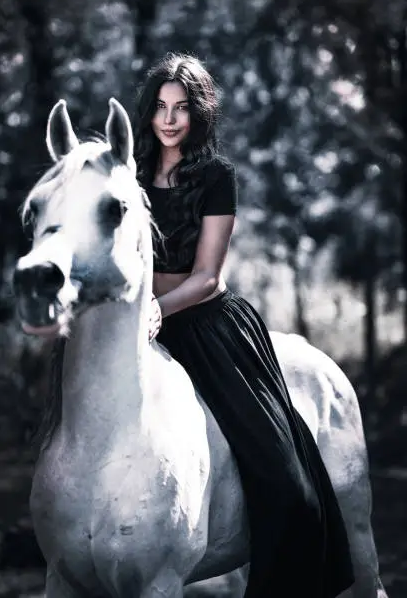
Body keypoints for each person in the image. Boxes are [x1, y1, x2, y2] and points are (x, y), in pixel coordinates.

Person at [133, 52, 354, 597]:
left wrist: (158, 311)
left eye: (181, 108)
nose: (169, 119)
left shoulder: (216, 176)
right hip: (136, 328)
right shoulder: (130, 173)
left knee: (286, 485)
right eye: (161, 107)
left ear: (197, 114)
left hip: (207, 329)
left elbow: (207, 276)